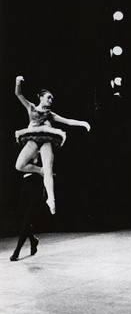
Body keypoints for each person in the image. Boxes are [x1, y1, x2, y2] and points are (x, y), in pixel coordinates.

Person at [14, 76, 91, 215]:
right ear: (41, 97)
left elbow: (67, 121)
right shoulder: (31, 107)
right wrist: (18, 82)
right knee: (19, 165)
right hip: (33, 138)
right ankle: (40, 170)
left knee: (49, 169)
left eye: (52, 98)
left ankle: (51, 199)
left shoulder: (50, 114)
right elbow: (18, 94)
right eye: (49, 97)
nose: (50, 100)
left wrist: (83, 123)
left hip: (46, 139)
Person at [10, 168, 45, 261]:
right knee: (24, 220)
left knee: (27, 220)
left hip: (37, 184)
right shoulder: (26, 154)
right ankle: (33, 241)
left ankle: (17, 251)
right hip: (26, 183)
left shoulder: (44, 154)